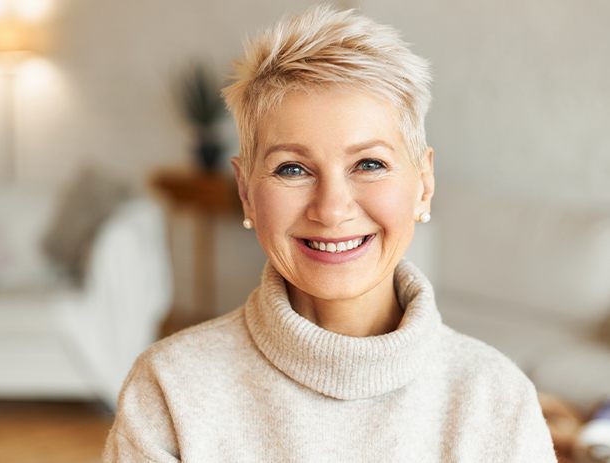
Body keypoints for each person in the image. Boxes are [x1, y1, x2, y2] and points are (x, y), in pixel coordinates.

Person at [103, 5, 556, 462]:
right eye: (293, 168)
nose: (332, 209)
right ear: (245, 192)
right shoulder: (170, 390)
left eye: (369, 164)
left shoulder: (496, 399)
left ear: (424, 184)